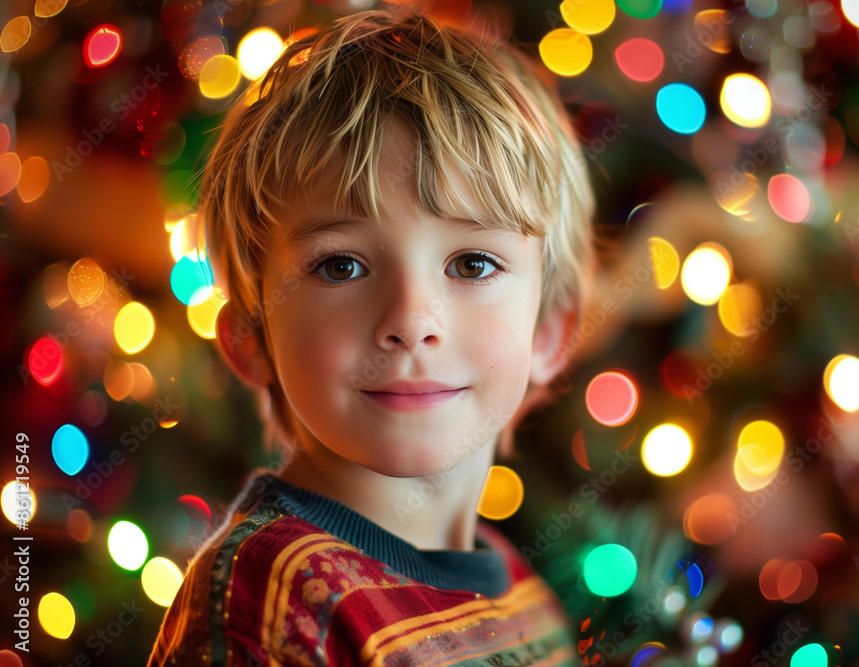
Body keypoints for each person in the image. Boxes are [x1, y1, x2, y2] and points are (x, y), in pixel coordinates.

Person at [148, 7, 596, 666]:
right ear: (250, 336)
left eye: (472, 263)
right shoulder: (268, 599)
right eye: (342, 265)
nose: (412, 321)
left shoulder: (525, 595)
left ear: (551, 332)